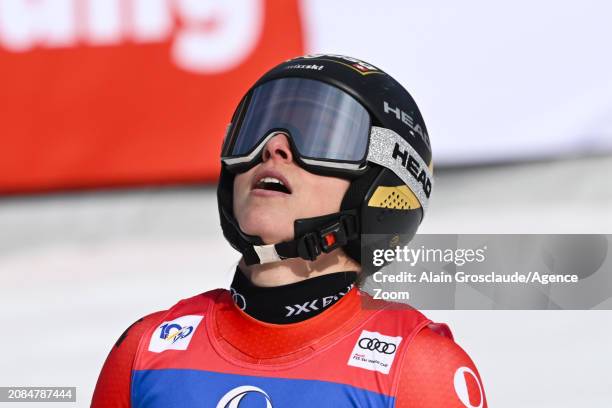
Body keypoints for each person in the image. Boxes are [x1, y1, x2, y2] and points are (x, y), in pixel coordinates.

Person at [91, 54, 488, 407]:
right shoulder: (145, 352)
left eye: (320, 137)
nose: (274, 148)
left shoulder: (416, 369)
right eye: (258, 130)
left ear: (382, 185)